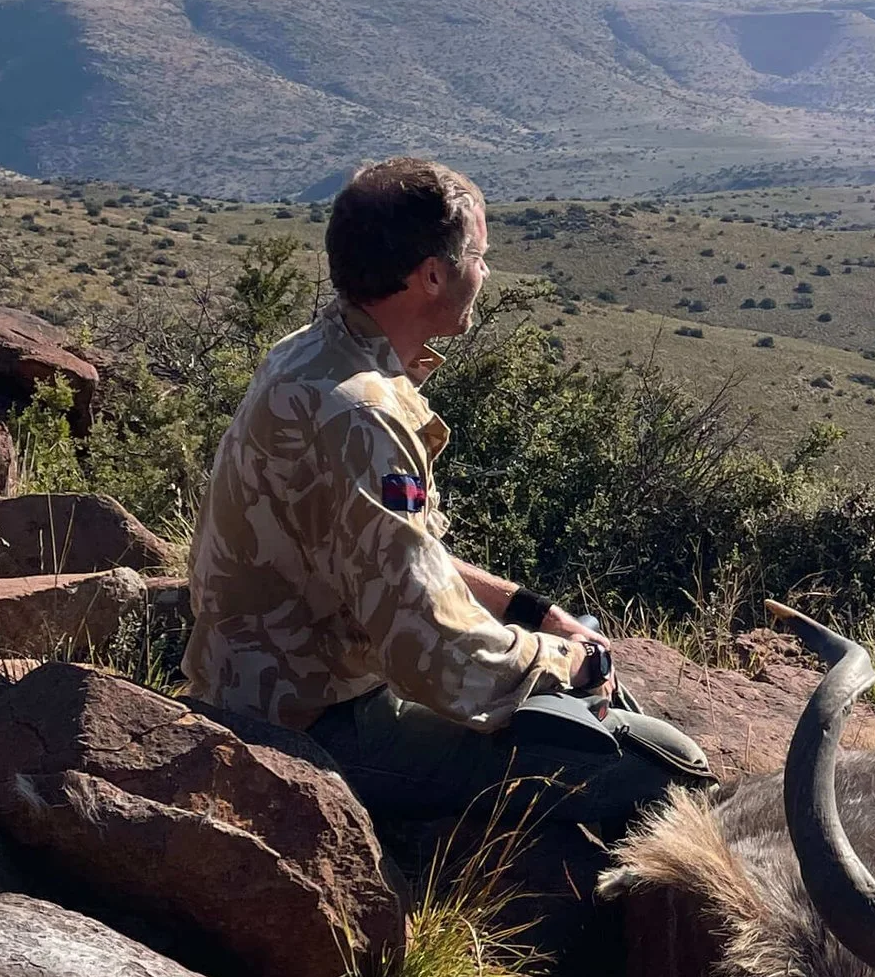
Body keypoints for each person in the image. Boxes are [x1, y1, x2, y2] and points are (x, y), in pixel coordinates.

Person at [186, 156, 709, 873]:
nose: (486, 273)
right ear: (432, 274)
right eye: (480, 256)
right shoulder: (364, 415)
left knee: (600, 706)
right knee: (664, 765)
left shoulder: (310, 357)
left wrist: (531, 610)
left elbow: (390, 550)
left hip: (263, 680)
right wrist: (569, 661)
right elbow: (441, 659)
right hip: (314, 722)